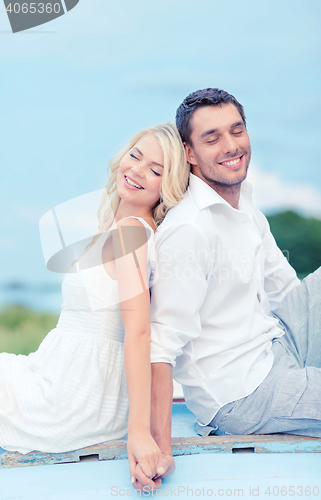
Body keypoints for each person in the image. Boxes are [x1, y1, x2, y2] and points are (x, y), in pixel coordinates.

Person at [133, 88, 321, 489]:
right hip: (242, 393)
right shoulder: (190, 230)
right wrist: (159, 446)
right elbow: (161, 346)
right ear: (189, 153)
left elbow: (288, 292)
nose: (231, 146)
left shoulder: (244, 204)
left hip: (276, 346)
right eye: (212, 138)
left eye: (237, 131)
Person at [0, 123, 189, 486]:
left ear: (167, 186)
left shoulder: (131, 231)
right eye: (135, 156)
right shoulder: (124, 230)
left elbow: (138, 330)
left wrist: (139, 433)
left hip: (74, 396)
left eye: (155, 170)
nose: (137, 171)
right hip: (62, 377)